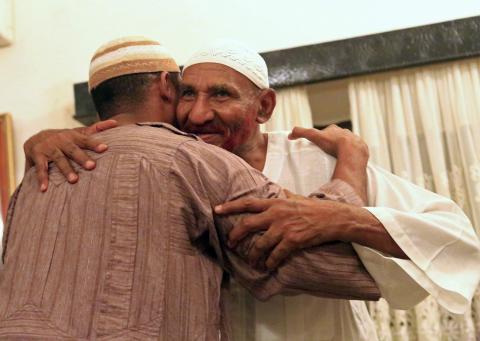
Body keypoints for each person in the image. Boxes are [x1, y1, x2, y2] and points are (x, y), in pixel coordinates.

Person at [23, 39, 480, 341]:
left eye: (220, 95)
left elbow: (457, 241)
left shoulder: (317, 161)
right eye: (187, 94)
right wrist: (43, 139)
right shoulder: (169, 169)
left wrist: (342, 216)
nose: (198, 115)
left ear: (263, 106)